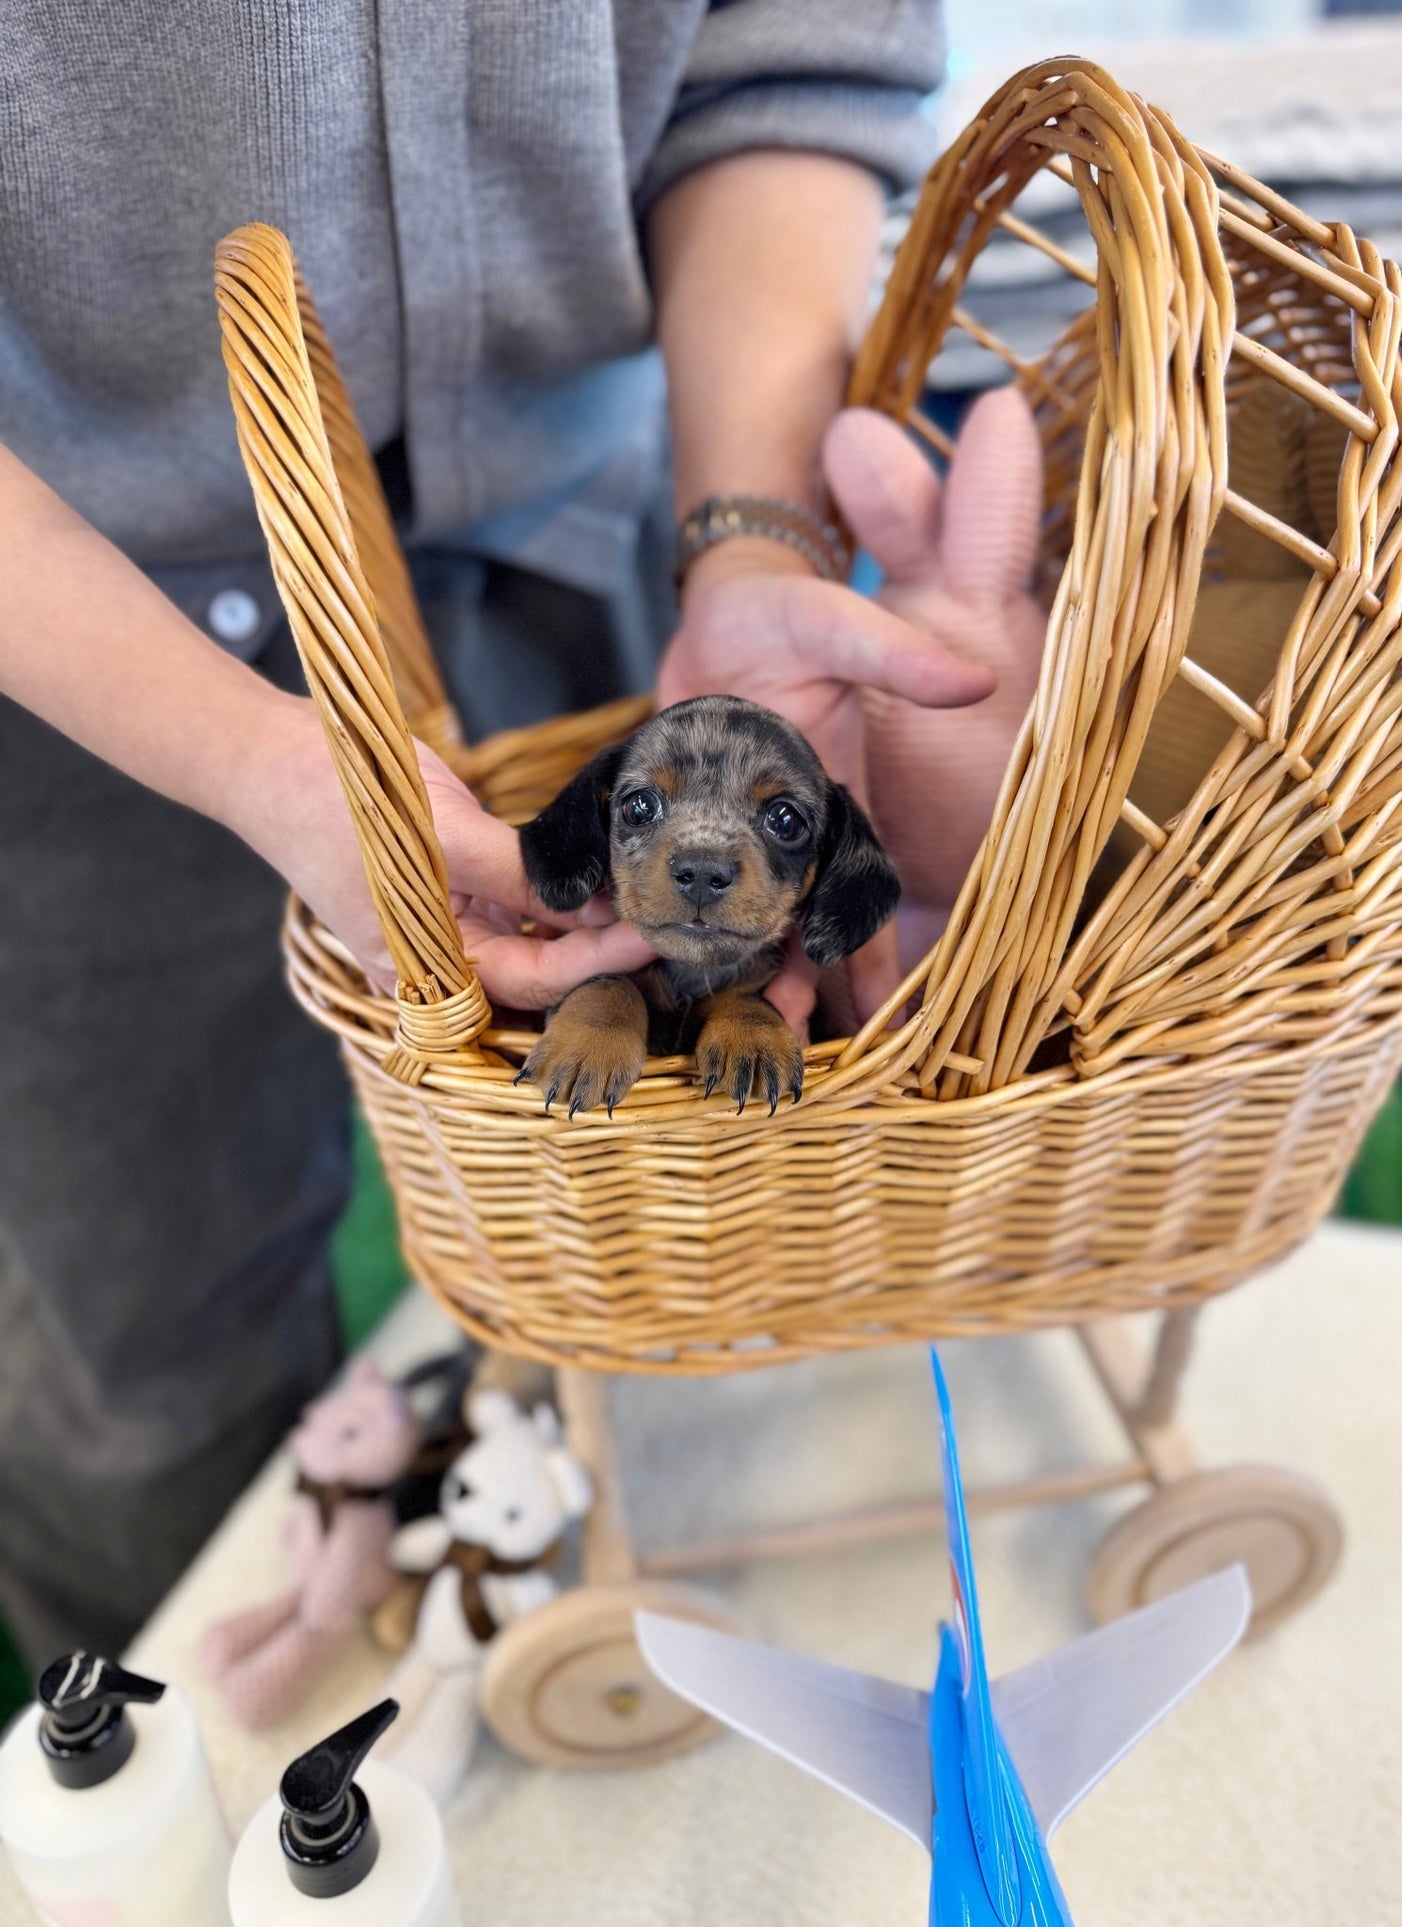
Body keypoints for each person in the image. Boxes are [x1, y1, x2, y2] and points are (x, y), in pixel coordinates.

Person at [0, 1, 1036, 1664]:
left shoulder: (724, 797)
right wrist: (251, 757)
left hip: (616, 510)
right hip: (65, 626)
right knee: (145, 1354)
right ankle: (179, 1750)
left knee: (629, 1242)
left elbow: (785, 62)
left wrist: (755, 548)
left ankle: (552, 1576)